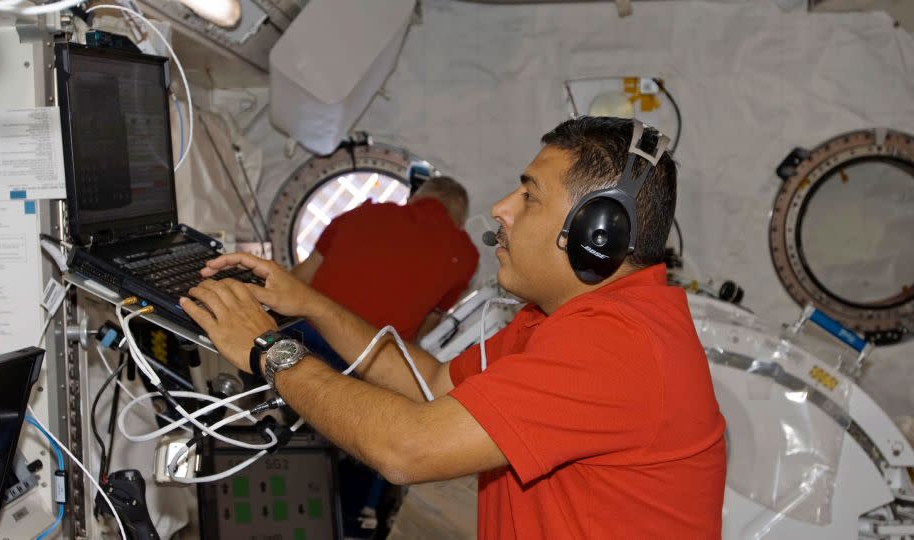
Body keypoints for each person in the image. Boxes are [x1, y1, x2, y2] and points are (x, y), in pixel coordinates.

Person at [181, 116, 727, 538]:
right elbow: (435, 384)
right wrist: (309, 302)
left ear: (595, 233)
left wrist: (266, 350)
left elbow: (406, 449)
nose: (500, 208)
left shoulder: (617, 346)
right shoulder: (558, 321)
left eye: (530, 196)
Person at [289, 176, 478, 372]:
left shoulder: (364, 212)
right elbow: (427, 327)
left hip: (305, 334)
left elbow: (300, 278)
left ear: (415, 198)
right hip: (362, 361)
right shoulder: (465, 256)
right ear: (460, 220)